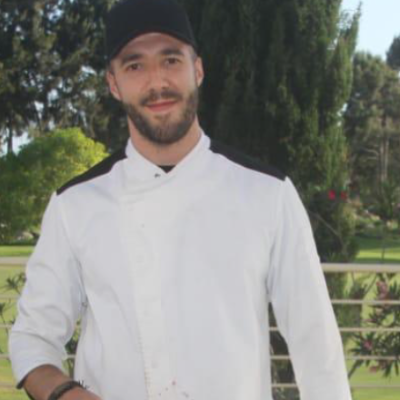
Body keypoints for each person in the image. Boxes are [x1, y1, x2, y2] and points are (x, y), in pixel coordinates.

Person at [9, 0, 352, 399]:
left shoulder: (267, 194)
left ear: (197, 70)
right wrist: (66, 394)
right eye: (135, 66)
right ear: (113, 84)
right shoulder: (75, 205)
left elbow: (317, 347)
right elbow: (32, 337)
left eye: (171, 60)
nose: (157, 81)